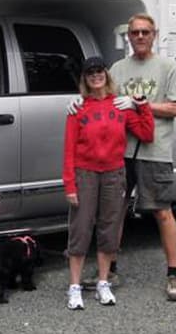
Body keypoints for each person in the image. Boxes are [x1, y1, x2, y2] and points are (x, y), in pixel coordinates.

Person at [69, 13, 176, 301]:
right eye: (134, 33)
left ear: (154, 35)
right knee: (114, 213)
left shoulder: (168, 67)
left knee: (161, 211)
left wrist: (141, 105)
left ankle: (173, 274)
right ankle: (109, 271)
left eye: (145, 32)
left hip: (155, 150)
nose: (139, 37)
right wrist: (78, 101)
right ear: (129, 37)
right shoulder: (118, 69)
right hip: (119, 152)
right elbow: (101, 95)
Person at [63, 56, 154, 310]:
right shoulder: (78, 108)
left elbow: (146, 134)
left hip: (114, 174)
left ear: (106, 74)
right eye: (90, 73)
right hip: (85, 174)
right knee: (80, 229)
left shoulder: (120, 105)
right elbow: (68, 150)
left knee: (109, 230)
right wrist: (69, 185)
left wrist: (140, 105)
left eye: (99, 71)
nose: (95, 76)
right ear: (85, 78)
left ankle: (103, 283)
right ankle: (75, 287)